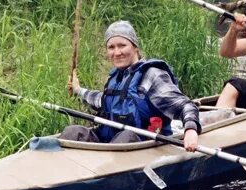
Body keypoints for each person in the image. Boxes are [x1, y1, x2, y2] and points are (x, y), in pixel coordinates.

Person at [66, 20, 201, 152]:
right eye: (111, 47)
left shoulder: (151, 75)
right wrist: (78, 90)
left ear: (135, 46)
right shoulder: (117, 77)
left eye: (122, 45)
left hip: (141, 146)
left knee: (126, 136)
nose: (117, 52)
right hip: (111, 144)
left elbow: (186, 105)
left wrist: (190, 129)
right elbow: (102, 100)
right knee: (73, 132)